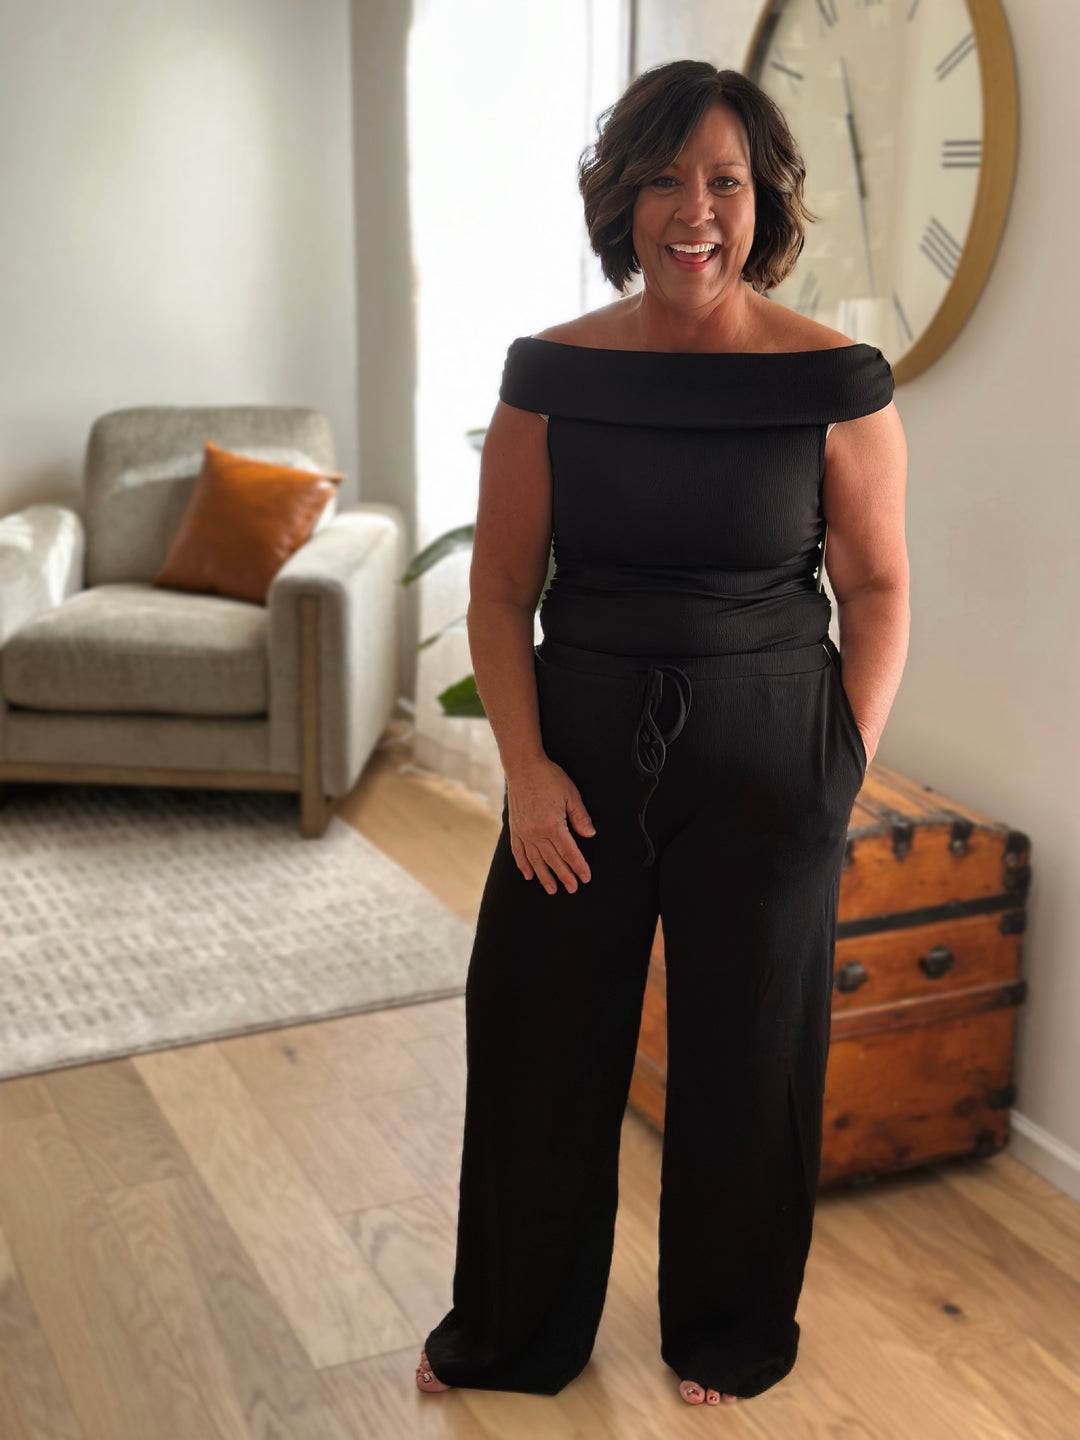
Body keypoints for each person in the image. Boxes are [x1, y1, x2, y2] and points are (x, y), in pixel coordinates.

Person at [416, 58, 909, 1408]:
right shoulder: (550, 374)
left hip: (770, 771)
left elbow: (876, 588)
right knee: (533, 1037)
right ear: (622, 199)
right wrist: (520, 771)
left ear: (764, 203)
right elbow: (502, 590)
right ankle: (517, 1335)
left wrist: (842, 764)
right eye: (666, 179)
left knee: (753, 1064)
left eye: (726, 181)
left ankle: (728, 1331)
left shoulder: (837, 379)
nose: (696, 209)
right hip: (573, 764)